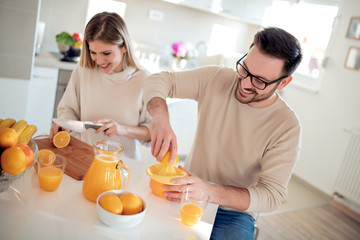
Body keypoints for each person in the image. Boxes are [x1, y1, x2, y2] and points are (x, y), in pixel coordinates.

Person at [143, 27, 303, 239]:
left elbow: (271, 195)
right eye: (245, 69)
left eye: (260, 81)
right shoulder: (216, 78)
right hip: (186, 193)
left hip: (234, 214)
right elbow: (158, 80)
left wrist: (209, 191)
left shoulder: (287, 126)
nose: (245, 84)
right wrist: (160, 116)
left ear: (283, 82)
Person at [50, 12, 151, 161]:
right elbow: (68, 110)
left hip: (122, 163)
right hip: (82, 156)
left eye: (106, 53)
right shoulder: (83, 71)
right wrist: (65, 125)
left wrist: (122, 129)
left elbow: (152, 132)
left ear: (124, 47)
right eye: (93, 52)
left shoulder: (144, 80)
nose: (99, 61)